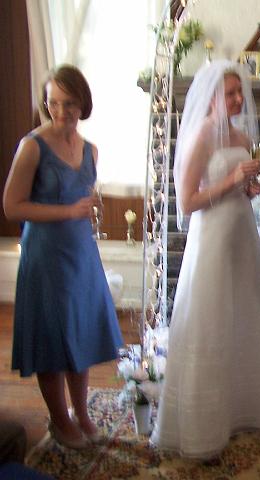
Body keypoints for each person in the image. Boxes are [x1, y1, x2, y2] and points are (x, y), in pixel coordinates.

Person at [150, 59, 260, 459]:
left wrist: (249, 188)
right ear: (211, 97)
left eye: (238, 93)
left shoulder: (243, 137)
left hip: (240, 233)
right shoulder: (199, 136)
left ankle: (243, 406)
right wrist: (232, 180)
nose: (236, 99)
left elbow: (241, 189)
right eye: (228, 93)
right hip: (211, 236)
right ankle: (203, 422)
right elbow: (186, 202)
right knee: (209, 317)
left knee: (245, 313)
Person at [3, 65, 124, 450]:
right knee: (51, 337)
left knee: (80, 331)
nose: (60, 112)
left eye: (69, 104)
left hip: (80, 251)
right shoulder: (32, 146)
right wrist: (68, 211)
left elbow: (85, 200)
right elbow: (12, 206)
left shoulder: (91, 151)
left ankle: (82, 414)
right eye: (53, 103)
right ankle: (59, 420)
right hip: (45, 254)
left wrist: (83, 212)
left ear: (83, 104)